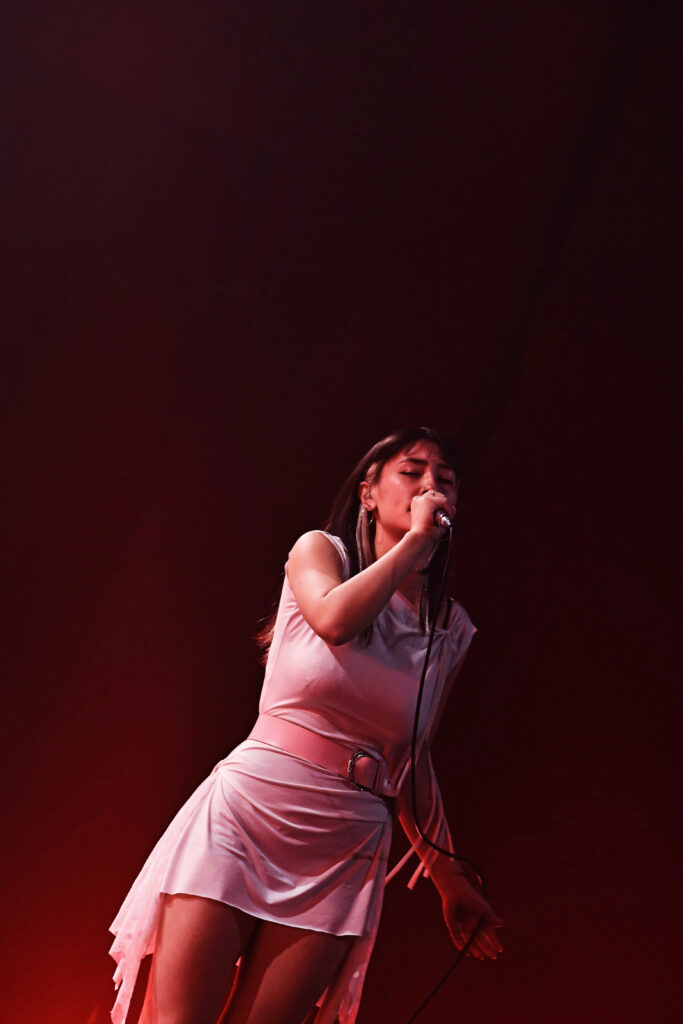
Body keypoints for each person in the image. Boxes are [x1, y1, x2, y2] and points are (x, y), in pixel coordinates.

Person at [109, 426, 503, 1024]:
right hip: (249, 813)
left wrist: (448, 876)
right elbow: (336, 620)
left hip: (342, 848)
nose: (430, 487)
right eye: (411, 471)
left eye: (444, 480)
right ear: (368, 493)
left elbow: (411, 759)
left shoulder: (448, 628)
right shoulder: (321, 553)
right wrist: (416, 544)